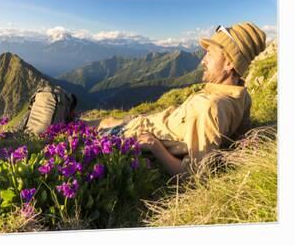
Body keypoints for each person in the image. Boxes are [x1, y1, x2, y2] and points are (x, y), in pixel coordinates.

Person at [94, 22, 267, 177]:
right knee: (108, 120)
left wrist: (155, 146)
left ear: (229, 63)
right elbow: (239, 139)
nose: (202, 61)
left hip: (143, 132)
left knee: (98, 125)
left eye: (210, 54)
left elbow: (194, 174)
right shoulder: (242, 96)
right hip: (152, 121)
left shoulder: (209, 107)